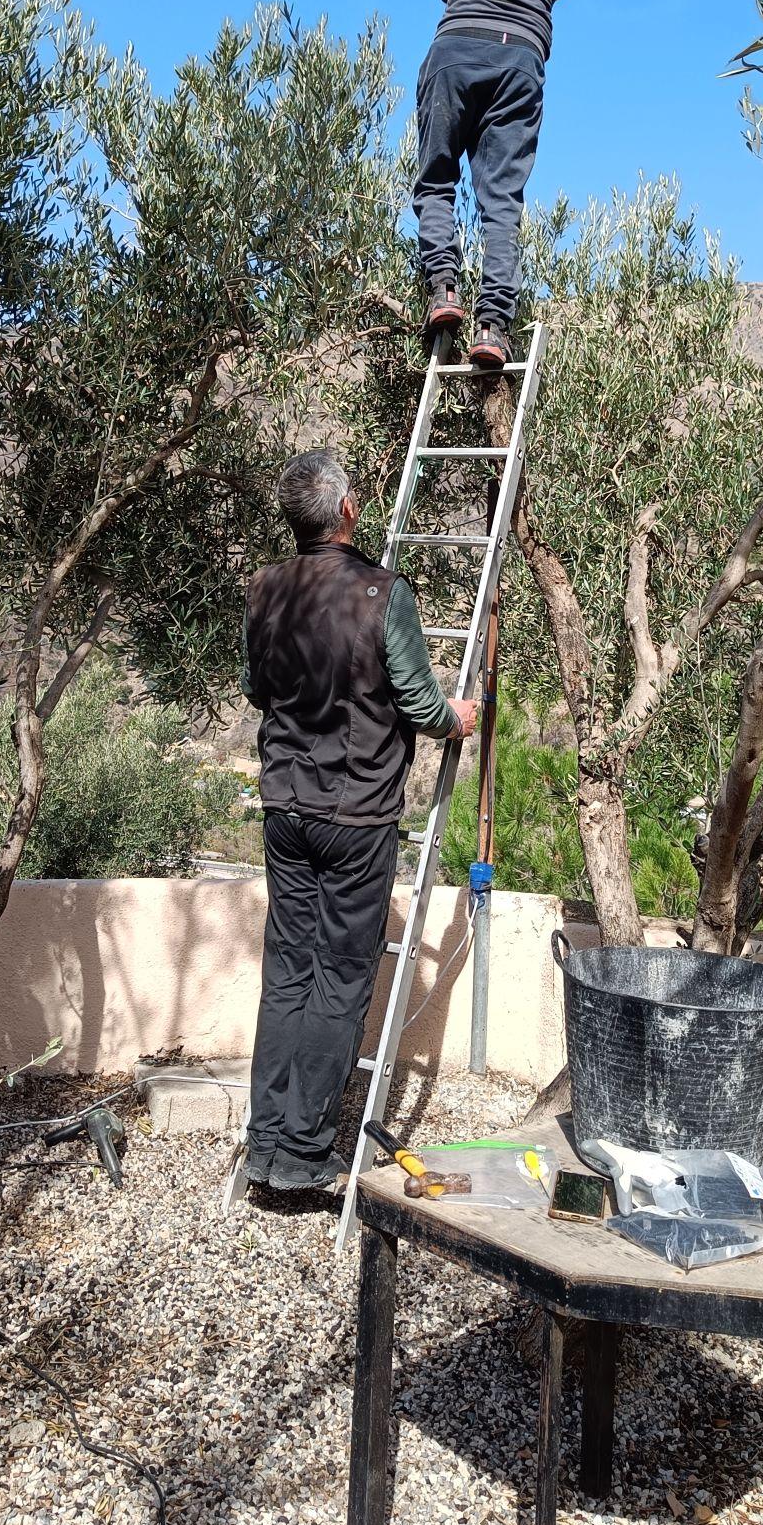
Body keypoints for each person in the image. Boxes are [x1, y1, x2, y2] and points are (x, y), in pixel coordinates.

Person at [239, 449, 478, 1194]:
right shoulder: (383, 592)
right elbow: (419, 702)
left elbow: (255, 689)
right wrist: (457, 718)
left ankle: (264, 1144)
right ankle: (302, 1154)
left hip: (285, 808)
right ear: (346, 510)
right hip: (356, 814)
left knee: (288, 970)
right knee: (340, 978)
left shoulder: (265, 588)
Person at [413, 0, 609, 371]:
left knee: (437, 178)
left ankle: (443, 288)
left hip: (457, 46)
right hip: (520, 62)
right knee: (501, 201)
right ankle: (493, 327)